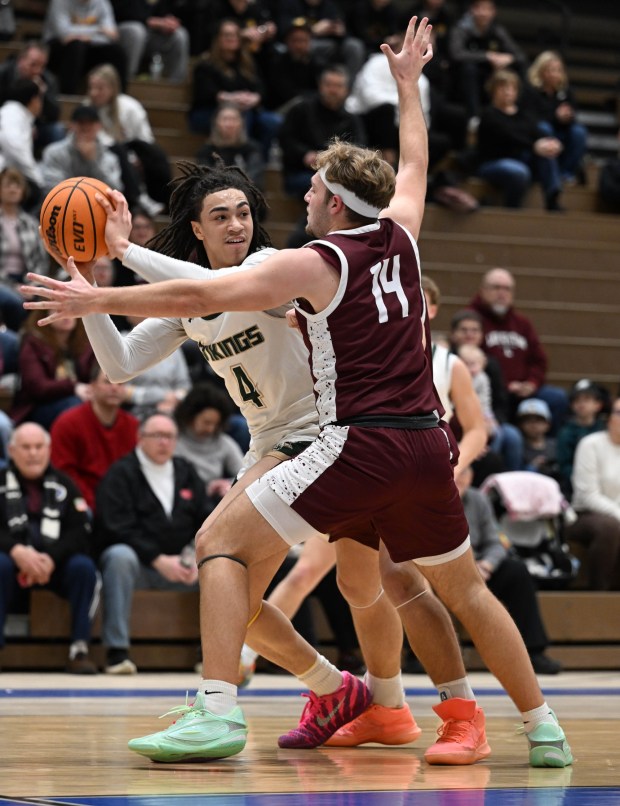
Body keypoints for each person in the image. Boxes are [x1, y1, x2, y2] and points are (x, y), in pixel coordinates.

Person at [25, 17, 572, 769]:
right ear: (198, 225)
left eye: (308, 190)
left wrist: (111, 273)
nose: (282, 203)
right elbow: (411, 167)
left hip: (339, 437)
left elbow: (202, 294)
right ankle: (414, 707)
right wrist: (410, 88)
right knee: (366, 584)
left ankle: (239, 708)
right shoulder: (399, 232)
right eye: (224, 214)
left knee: (304, 564)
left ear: (336, 205)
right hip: (388, 438)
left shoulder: (297, 263)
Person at [95, 413, 209, 674]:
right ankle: (117, 653)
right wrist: (157, 558)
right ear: (140, 438)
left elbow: (207, 519)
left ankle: (211, 657)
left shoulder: (186, 471)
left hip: (183, 566)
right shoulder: (121, 473)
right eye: (156, 435)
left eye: (169, 436)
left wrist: (193, 554)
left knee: (217, 563)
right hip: (140, 568)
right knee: (118, 556)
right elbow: (116, 527)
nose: (163, 442)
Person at [0, 422, 99, 674]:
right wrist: (17, 551)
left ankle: (79, 648)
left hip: (52, 567)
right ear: (11, 450)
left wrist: (50, 559)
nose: (32, 453)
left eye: (38, 447)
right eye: (25, 447)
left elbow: (80, 533)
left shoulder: (65, 484)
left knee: (83, 567)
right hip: (10, 565)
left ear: (48, 449)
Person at [457, 464, 562, 675]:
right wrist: (466, 568)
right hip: (442, 570)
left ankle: (533, 652)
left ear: (471, 477)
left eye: (464, 473)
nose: (459, 478)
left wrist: (487, 565)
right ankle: (416, 656)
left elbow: (496, 542)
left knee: (517, 572)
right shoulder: (427, 497)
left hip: (479, 569)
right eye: (454, 472)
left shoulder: (478, 499)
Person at [468, 267, 569, 433]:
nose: (502, 293)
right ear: (483, 290)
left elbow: (539, 360)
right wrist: (506, 385)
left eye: (507, 289)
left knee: (558, 399)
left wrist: (532, 383)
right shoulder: (472, 321)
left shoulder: (522, 323)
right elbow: (470, 360)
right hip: (491, 393)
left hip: (525, 390)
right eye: (496, 287)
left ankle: (547, 450)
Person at [50, 364, 139, 513]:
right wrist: (95, 505)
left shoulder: (134, 426)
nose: (115, 388)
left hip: (123, 505)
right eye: (108, 382)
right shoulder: (67, 423)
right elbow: (64, 473)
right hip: (81, 504)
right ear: (92, 386)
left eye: (121, 383)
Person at [188, 19, 281, 161]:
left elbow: (260, 89)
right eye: (227, 35)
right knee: (240, 117)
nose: (232, 38)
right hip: (209, 111)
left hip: (246, 109)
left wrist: (255, 98)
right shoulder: (205, 65)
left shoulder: (248, 63)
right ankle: (238, 161)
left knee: (273, 121)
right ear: (218, 39)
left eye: (235, 35)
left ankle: (258, 162)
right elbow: (205, 93)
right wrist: (231, 98)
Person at [86, 63, 172, 210]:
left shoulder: (130, 107)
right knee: (118, 151)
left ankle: (167, 200)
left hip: (132, 153)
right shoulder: (87, 109)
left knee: (156, 154)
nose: (94, 93)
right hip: (102, 157)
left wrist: (137, 157)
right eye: (91, 88)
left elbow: (145, 140)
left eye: (100, 88)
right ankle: (139, 198)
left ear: (112, 89)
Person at [475, 69, 565, 211]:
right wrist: (534, 146)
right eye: (503, 87)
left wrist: (551, 143)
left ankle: (552, 199)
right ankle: (512, 208)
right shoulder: (489, 114)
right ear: (493, 90)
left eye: (512, 88)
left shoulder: (523, 114)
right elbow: (509, 136)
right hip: (493, 162)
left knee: (546, 153)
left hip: (522, 159)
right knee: (519, 172)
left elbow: (536, 133)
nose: (508, 92)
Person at [564, 397, 620, 591]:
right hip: (584, 515)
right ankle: (600, 592)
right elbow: (587, 494)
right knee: (610, 527)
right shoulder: (591, 444)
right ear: (609, 418)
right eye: (618, 413)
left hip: (615, 516)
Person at [11, 312, 95, 430]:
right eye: (58, 310)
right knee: (74, 406)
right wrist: (73, 387)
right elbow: (38, 387)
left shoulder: (85, 341)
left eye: (70, 309)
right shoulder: (34, 343)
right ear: (44, 315)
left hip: (81, 399)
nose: (66, 315)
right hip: (39, 407)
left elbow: (94, 374)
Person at [448, 0, 527, 123]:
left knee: (519, 67)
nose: (483, 13)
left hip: (490, 74)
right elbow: (456, 54)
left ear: (493, 12)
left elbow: (520, 55)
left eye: (487, 9)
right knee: (469, 68)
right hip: (463, 78)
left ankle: (519, 112)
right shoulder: (461, 28)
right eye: (479, 8)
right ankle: (474, 117)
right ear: (472, 10)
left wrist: (508, 58)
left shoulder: (496, 30)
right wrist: (487, 56)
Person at [173, 383, 244, 511]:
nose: (211, 429)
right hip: (181, 502)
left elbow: (244, 474)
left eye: (215, 424)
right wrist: (203, 489)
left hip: (213, 504)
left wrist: (226, 484)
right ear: (190, 416)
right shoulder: (173, 440)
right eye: (206, 422)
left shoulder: (223, 442)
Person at [522, 50, 587, 186]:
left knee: (579, 132)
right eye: (550, 70)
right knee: (544, 128)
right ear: (540, 71)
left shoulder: (566, 91)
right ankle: (551, 173)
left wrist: (568, 116)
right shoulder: (531, 91)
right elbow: (531, 118)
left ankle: (566, 173)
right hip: (539, 134)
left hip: (562, 132)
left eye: (558, 70)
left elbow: (573, 114)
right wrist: (555, 116)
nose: (554, 74)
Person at [0, 167, 50, 333]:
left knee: (53, 298)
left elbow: (40, 262)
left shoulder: (30, 223)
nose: (13, 189)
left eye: (17, 185)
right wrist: (13, 286)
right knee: (12, 301)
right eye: (8, 185)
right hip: (3, 281)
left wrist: (31, 285)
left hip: (26, 281)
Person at [43, 0, 128, 94]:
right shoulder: (60, 2)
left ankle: (119, 97)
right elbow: (63, 32)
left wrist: (85, 37)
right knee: (76, 46)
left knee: (116, 51)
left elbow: (112, 34)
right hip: (58, 50)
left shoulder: (102, 2)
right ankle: (67, 96)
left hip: (89, 47)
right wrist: (99, 29)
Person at [41, 105, 123, 198]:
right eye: (81, 123)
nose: (86, 127)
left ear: (99, 126)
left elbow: (116, 190)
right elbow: (51, 187)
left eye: (90, 123)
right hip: (62, 206)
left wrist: (93, 162)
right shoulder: (54, 152)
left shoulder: (109, 157)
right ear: (71, 125)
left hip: (98, 207)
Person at [0, 41, 65, 156]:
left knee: (57, 129)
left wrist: (42, 95)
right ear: (21, 60)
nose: (37, 71)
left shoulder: (48, 80)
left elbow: (54, 114)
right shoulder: (3, 74)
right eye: (33, 64)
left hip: (35, 127)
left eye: (42, 66)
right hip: (4, 125)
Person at [110, 0, 190, 83]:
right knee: (136, 31)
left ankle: (175, 85)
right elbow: (123, 12)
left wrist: (169, 22)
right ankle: (126, 82)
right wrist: (152, 22)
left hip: (151, 33)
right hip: (120, 29)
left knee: (180, 34)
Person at [557, 378, 607, 498]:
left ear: (598, 405)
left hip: (606, 482)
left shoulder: (605, 430)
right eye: (577, 400)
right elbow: (564, 466)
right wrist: (584, 479)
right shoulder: (566, 432)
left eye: (587, 399)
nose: (581, 404)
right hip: (577, 488)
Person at [196, 103, 265, 190]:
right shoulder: (206, 151)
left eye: (234, 119)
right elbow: (204, 181)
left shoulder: (252, 148)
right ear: (216, 122)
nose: (229, 124)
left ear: (241, 123)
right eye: (225, 119)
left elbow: (255, 179)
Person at [0, 79, 45, 210]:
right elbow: (13, 144)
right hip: (4, 171)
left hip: (8, 170)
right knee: (38, 194)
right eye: (40, 99)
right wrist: (37, 178)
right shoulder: (12, 113)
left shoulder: (16, 114)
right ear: (33, 99)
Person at [516, 398, 560, 479]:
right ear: (521, 425)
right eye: (528, 421)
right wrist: (532, 467)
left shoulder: (556, 446)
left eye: (538, 421)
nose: (533, 425)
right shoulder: (518, 448)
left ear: (548, 424)